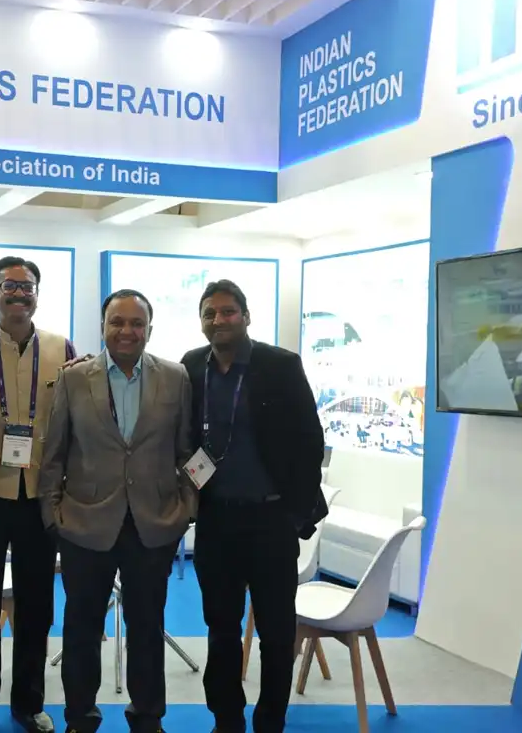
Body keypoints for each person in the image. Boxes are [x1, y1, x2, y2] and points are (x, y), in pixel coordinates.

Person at [38, 289, 196, 733]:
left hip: (154, 524)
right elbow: (54, 452)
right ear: (103, 326)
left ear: (150, 328)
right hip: (85, 523)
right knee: (82, 628)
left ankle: (147, 718)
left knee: (147, 628)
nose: (127, 331)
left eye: (136, 323)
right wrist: (53, 514)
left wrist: (188, 506)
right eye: (117, 322)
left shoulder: (175, 377)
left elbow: (186, 450)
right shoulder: (73, 378)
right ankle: (80, 718)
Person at [180, 279, 326, 733]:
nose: (219, 320)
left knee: (277, 634)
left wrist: (294, 516)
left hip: (270, 519)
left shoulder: (279, 365)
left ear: (245, 317)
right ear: (201, 321)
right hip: (216, 520)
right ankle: (227, 720)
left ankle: (270, 722)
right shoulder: (192, 366)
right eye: (210, 313)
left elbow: (310, 442)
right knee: (221, 629)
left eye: (228, 312)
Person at [0, 256, 78, 733]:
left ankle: (28, 702)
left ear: (37, 295)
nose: (19, 294)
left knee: (37, 606)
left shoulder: (62, 348)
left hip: (40, 497)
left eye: (27, 287)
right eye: (9, 286)